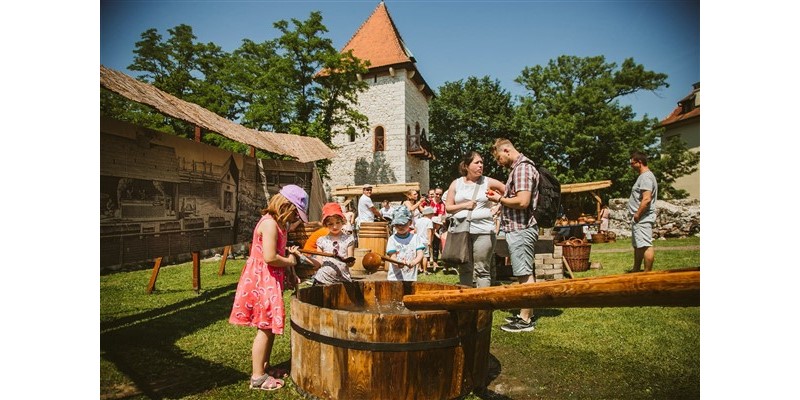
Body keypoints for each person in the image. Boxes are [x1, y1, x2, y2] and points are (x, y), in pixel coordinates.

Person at [228, 184, 309, 391]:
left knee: (269, 327)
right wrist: (291, 262)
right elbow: (270, 257)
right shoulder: (270, 224)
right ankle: (257, 377)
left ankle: (264, 367)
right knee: (264, 329)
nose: (294, 218)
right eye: (294, 213)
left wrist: (289, 274)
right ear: (286, 206)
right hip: (261, 281)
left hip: (269, 278)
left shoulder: (280, 225)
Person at [487, 138, 539, 333]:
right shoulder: (519, 169)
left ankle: (525, 321)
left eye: (499, 157)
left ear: (506, 150)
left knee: (525, 274)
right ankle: (526, 312)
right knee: (523, 271)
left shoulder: (522, 169)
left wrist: (499, 198)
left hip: (521, 228)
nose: (499, 162)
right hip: (518, 228)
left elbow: (523, 201)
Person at [445, 151, 506, 288]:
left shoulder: (488, 181)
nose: (480, 165)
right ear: (467, 166)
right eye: (476, 162)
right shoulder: (456, 184)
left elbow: (509, 191)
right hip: (461, 232)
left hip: (484, 231)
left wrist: (500, 205)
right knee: (465, 268)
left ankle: (483, 307)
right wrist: (465, 205)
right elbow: (448, 207)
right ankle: (467, 305)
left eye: (482, 162)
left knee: (482, 270)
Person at [307, 202, 356, 285]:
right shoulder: (321, 240)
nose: (335, 227)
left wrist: (350, 262)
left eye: (337, 223)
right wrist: (302, 256)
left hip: (343, 280)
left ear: (342, 221)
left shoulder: (348, 239)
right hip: (322, 280)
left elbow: (350, 260)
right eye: (330, 224)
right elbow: (319, 263)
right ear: (325, 224)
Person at [628, 151, 658, 272]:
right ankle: (636, 270)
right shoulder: (643, 176)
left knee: (645, 245)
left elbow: (646, 199)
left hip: (642, 217)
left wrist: (637, 214)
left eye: (632, 163)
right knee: (638, 246)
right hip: (639, 218)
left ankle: (647, 274)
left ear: (639, 162)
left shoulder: (646, 177)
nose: (631, 166)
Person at [386, 206, 425, 281]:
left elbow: (420, 254)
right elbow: (392, 257)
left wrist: (414, 262)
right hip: (395, 278)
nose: (400, 227)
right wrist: (397, 263)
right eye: (397, 224)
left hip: (410, 277)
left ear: (410, 222)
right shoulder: (392, 239)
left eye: (403, 224)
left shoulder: (415, 238)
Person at [414, 206, 436, 274]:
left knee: (418, 255)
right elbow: (429, 231)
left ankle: (419, 268)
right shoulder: (429, 221)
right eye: (432, 214)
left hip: (417, 240)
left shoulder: (417, 220)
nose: (432, 215)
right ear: (429, 214)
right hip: (425, 241)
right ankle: (425, 270)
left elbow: (415, 231)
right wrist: (429, 241)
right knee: (425, 256)